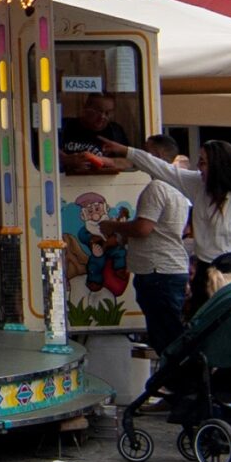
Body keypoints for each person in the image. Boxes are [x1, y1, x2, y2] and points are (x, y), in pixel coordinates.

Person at [98, 135, 231, 290]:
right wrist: (127, 151)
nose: (199, 167)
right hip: (205, 268)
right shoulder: (199, 185)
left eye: (204, 162)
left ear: (220, 166)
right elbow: (164, 169)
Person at [90, 133, 193, 350]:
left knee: (165, 337)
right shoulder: (179, 191)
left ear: (156, 155)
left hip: (157, 271)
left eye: (146, 151)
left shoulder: (157, 188)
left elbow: (143, 228)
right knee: (169, 332)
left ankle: (178, 380)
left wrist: (113, 226)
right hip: (170, 268)